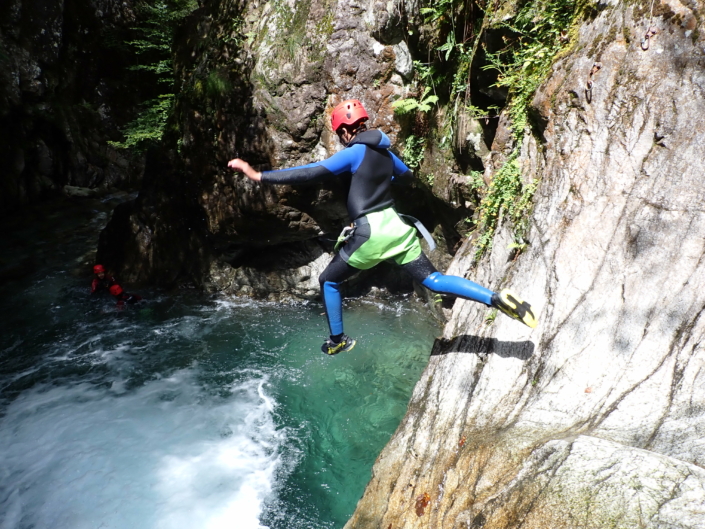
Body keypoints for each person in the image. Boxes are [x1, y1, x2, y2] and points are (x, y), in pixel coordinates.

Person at [228, 99, 537, 355]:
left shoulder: (354, 152)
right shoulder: (386, 153)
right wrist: (380, 179)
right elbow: (406, 177)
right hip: (397, 227)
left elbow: (311, 172)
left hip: (371, 231)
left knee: (328, 281)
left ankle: (338, 341)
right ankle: (495, 298)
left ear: (346, 131)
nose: (340, 138)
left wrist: (258, 176)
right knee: (435, 279)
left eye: (339, 134)